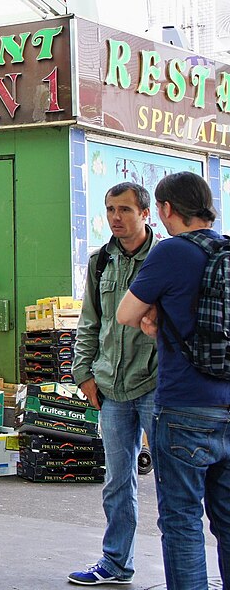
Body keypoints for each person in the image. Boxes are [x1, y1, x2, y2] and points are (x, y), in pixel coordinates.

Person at [118, 171, 230, 590]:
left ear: (165, 209)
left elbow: (126, 315)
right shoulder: (226, 249)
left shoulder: (171, 253)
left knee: (182, 521)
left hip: (184, 407)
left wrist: (158, 316)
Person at [67, 182, 157, 586]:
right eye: (109, 209)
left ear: (146, 214)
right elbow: (90, 322)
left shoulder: (164, 259)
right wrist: (82, 373)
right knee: (117, 481)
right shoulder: (100, 262)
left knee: (176, 484)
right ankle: (116, 563)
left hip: (155, 386)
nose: (116, 218)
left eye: (124, 210)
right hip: (111, 388)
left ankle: (185, 566)